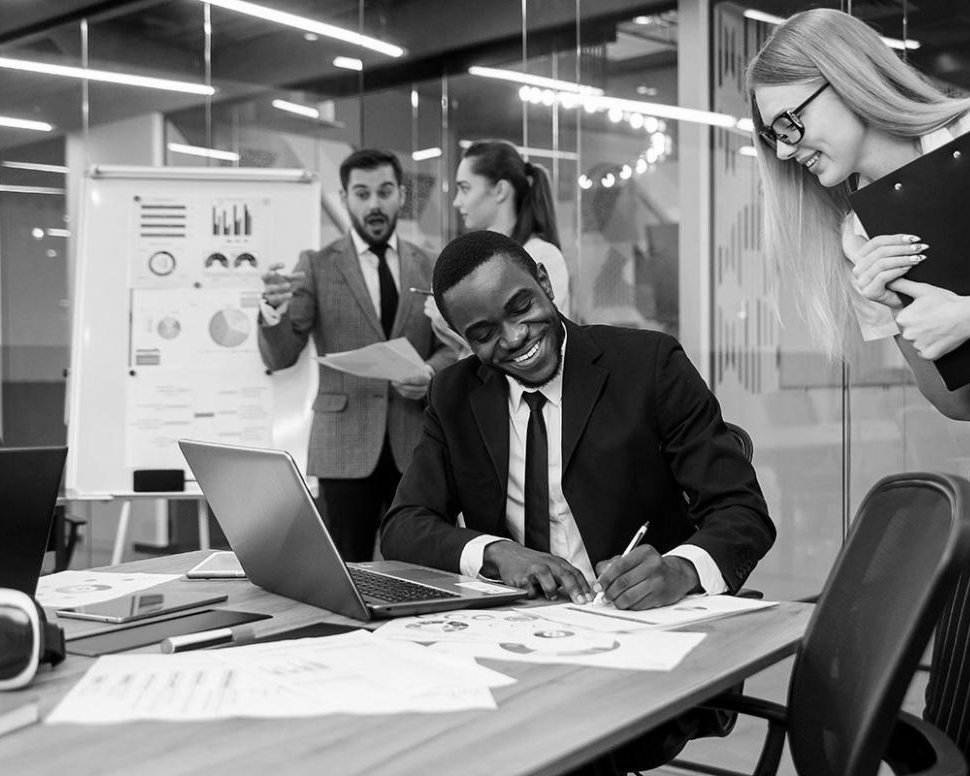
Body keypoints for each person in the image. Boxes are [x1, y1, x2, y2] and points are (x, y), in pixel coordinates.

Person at [746, 9, 970, 775]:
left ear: (844, 78)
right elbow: (957, 402)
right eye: (773, 136)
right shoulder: (860, 233)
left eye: (790, 121)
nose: (787, 148)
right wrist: (907, 317)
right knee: (951, 722)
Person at [381, 229, 774, 774]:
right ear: (463, 340)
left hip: (635, 639)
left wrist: (681, 570)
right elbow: (404, 524)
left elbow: (742, 511)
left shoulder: (648, 365)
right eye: (485, 333)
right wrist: (500, 553)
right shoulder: (454, 395)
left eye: (522, 307)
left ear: (544, 282)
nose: (516, 338)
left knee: (542, 740)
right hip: (517, 641)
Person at [258, 148, 456, 562]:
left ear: (400, 196)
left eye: (384, 192)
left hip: (416, 440)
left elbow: (451, 346)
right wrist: (273, 312)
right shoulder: (316, 266)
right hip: (343, 446)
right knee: (347, 567)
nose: (374, 204)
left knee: (422, 564)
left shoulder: (431, 265)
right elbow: (281, 356)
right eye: (362, 194)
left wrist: (429, 372)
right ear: (344, 197)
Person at [423, 140, 572, 354]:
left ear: (500, 190)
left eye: (465, 189)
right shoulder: (474, 266)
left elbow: (531, 349)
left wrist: (450, 324)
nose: (456, 201)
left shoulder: (543, 255)